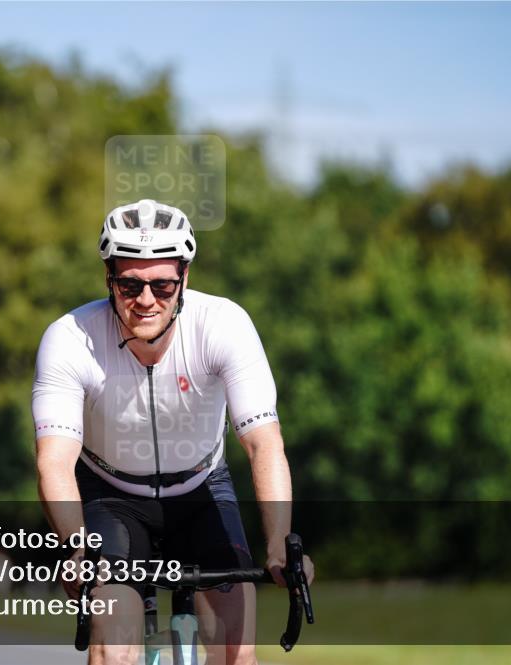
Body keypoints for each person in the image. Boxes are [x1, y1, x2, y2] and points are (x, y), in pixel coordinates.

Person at [33, 199, 314, 665]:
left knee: (237, 656)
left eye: (162, 285)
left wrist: (280, 546)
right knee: (114, 646)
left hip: (202, 490)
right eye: (130, 284)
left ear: (184, 278)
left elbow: (264, 443)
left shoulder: (223, 325)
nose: (146, 300)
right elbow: (54, 461)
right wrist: (77, 547)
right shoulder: (70, 337)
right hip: (111, 496)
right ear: (109, 278)